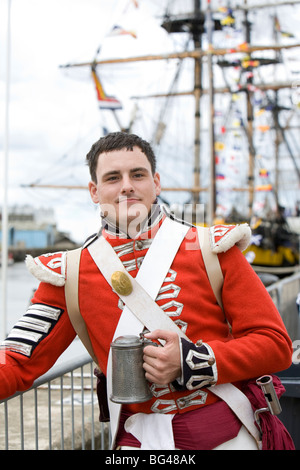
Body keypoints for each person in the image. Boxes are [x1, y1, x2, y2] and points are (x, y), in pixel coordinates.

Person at [0, 132, 293, 450]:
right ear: (94, 191)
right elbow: (17, 362)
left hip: (230, 437)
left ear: (156, 183)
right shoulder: (66, 274)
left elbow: (275, 345)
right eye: (113, 177)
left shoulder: (215, 248)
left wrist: (190, 361)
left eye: (137, 174)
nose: (126, 185)